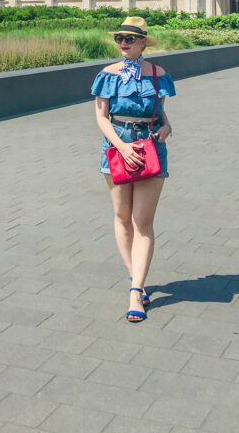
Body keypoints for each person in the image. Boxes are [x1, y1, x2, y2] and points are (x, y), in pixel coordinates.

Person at [92, 16, 175, 322]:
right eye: (119, 38)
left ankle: (135, 291)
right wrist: (122, 146)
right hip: (116, 147)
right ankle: (136, 280)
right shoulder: (107, 74)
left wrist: (167, 126)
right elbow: (101, 117)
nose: (123, 43)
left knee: (143, 220)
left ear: (143, 43)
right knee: (122, 216)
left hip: (150, 146)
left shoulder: (158, 74)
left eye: (129, 39)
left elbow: (160, 111)